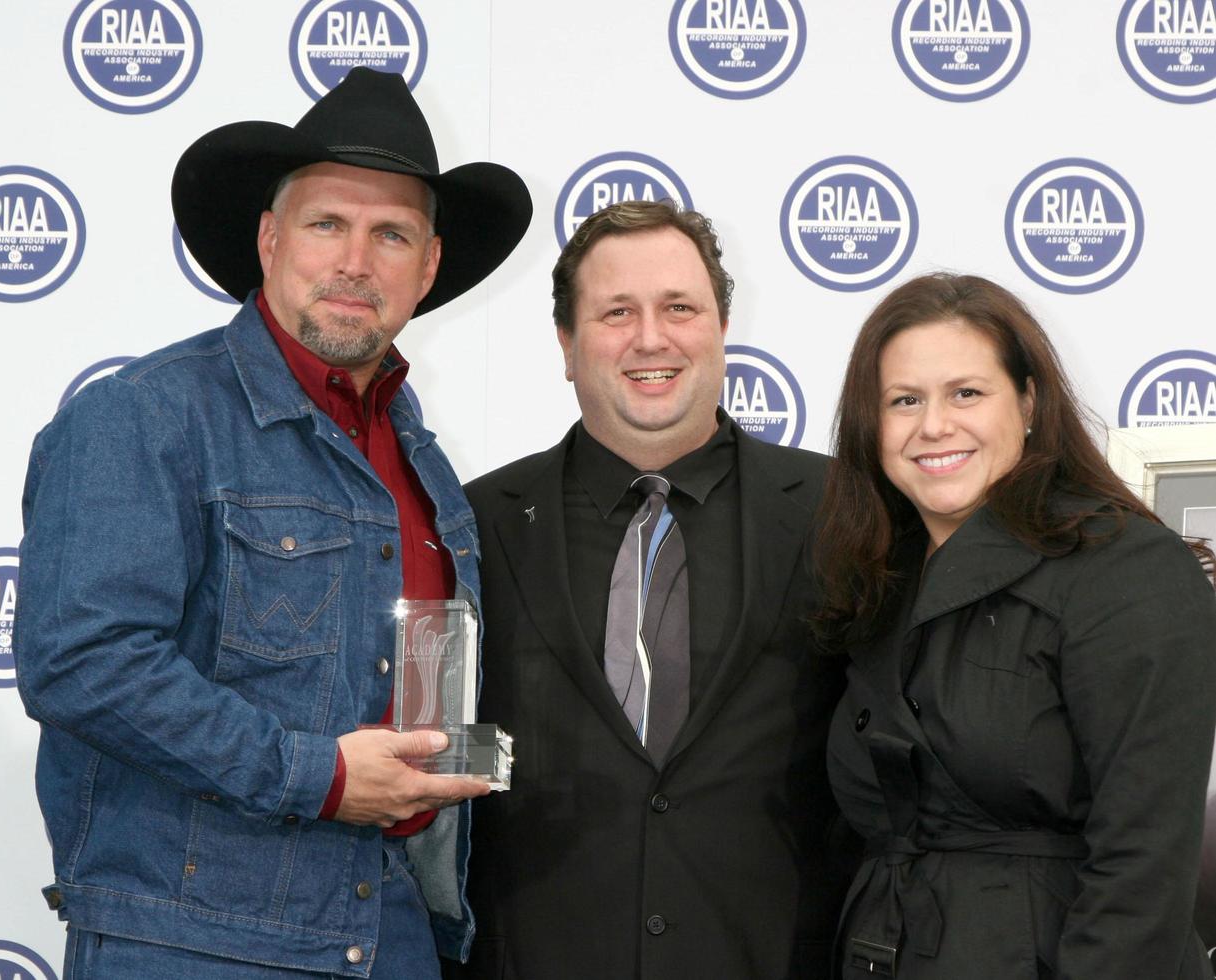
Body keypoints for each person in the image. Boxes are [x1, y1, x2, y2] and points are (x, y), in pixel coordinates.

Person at [14, 67, 531, 979]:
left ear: (430, 267)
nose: (355, 261)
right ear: (269, 238)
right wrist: (319, 775)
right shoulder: (146, 415)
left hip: (394, 936)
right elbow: (82, 662)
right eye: (327, 223)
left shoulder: (424, 465)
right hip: (193, 945)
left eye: (392, 234)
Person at [450, 200, 854, 980]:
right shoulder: (473, 524)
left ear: (720, 328)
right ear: (567, 346)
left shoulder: (839, 511)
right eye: (615, 312)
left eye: (678, 307)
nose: (649, 337)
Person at [816, 272, 1216, 979]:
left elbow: (1143, 867)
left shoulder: (1124, 567)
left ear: (1028, 401)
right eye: (904, 400)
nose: (933, 425)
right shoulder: (875, 581)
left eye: (965, 393)